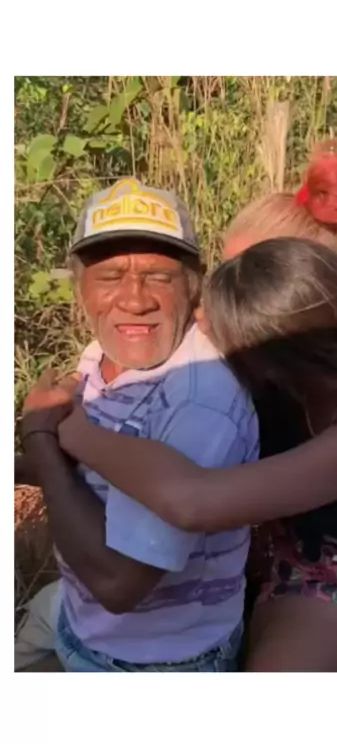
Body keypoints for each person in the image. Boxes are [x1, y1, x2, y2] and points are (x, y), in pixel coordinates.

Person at [56, 144, 337, 671]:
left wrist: (67, 434)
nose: (201, 321)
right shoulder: (283, 367)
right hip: (272, 541)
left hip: (335, 569)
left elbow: (193, 502)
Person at [18, 178, 259, 673]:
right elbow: (83, 475)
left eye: (158, 276)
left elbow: (118, 585)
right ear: (80, 287)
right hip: (80, 624)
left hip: (148, 664)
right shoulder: (105, 353)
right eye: (110, 276)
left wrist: (39, 437)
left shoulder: (198, 403)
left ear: (193, 283)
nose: (134, 299)